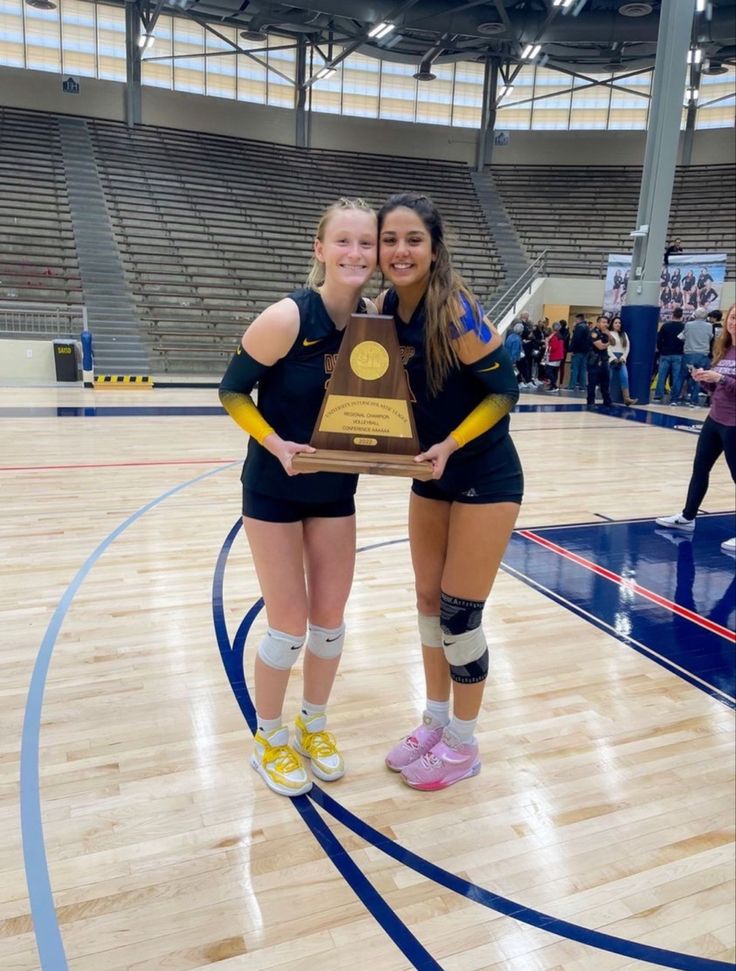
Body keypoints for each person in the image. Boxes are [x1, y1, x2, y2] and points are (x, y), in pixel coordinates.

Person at [218, 198, 378, 797]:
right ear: (320, 249)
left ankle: (314, 725)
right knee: (286, 627)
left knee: (329, 624)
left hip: (337, 490)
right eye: (343, 242)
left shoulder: (375, 324)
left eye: (366, 243)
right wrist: (277, 443)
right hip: (274, 489)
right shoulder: (287, 316)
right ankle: (269, 737)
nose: (356, 254)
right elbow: (232, 392)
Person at [375, 192, 522, 791]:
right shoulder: (382, 307)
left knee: (461, 616)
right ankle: (435, 720)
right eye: (391, 239)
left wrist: (451, 444)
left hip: (485, 476)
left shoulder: (457, 311)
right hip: (430, 478)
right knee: (428, 602)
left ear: (434, 249)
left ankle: (463, 742)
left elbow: (503, 393)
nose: (401, 250)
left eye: (413, 239)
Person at [656, 303, 736, 553]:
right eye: (732, 317)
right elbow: (719, 389)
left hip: (734, 424)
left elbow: (728, 383)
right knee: (700, 468)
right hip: (715, 420)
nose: (734, 322)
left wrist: (721, 378)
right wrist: (705, 381)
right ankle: (688, 517)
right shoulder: (725, 349)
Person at [671, 307, 713, 407]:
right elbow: (710, 337)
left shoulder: (688, 325)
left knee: (681, 377)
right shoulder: (709, 326)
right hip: (703, 355)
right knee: (699, 377)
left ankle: (674, 399)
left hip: (689, 354)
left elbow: (681, 337)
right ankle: (693, 401)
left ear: (695, 315)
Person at [653, 307, 685, 402]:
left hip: (665, 353)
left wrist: (660, 350)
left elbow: (659, 340)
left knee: (662, 375)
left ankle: (658, 395)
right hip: (678, 354)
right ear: (681, 316)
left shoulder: (665, 326)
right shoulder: (684, 327)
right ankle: (675, 396)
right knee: (676, 376)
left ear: (673, 314)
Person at [607, 316, 637, 406]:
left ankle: (627, 399)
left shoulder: (624, 334)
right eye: (616, 323)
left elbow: (627, 347)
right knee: (609, 378)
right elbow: (607, 347)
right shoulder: (609, 334)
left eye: (619, 323)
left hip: (621, 359)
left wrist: (623, 358)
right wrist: (613, 358)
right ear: (612, 324)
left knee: (624, 377)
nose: (618, 324)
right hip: (611, 358)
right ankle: (607, 397)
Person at [586, 315, 612, 407]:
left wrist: (608, 334)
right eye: (603, 322)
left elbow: (614, 341)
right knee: (592, 382)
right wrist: (609, 343)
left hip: (604, 360)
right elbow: (600, 346)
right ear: (598, 323)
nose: (605, 324)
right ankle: (591, 402)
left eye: (606, 322)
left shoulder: (605, 332)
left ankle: (607, 401)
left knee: (605, 382)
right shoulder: (594, 333)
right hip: (594, 360)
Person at [568, 312, 590, 391]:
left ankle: (572, 386)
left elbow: (576, 339)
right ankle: (583, 386)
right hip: (585, 351)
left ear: (578, 319)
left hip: (578, 351)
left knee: (575, 369)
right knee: (583, 369)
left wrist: (571, 349)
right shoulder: (587, 327)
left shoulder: (579, 327)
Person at [544, 321, 565, 392]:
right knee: (555, 371)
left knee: (548, 371)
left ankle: (554, 386)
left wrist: (547, 345)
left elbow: (553, 347)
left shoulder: (554, 336)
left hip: (554, 356)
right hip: (559, 356)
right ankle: (553, 386)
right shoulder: (560, 335)